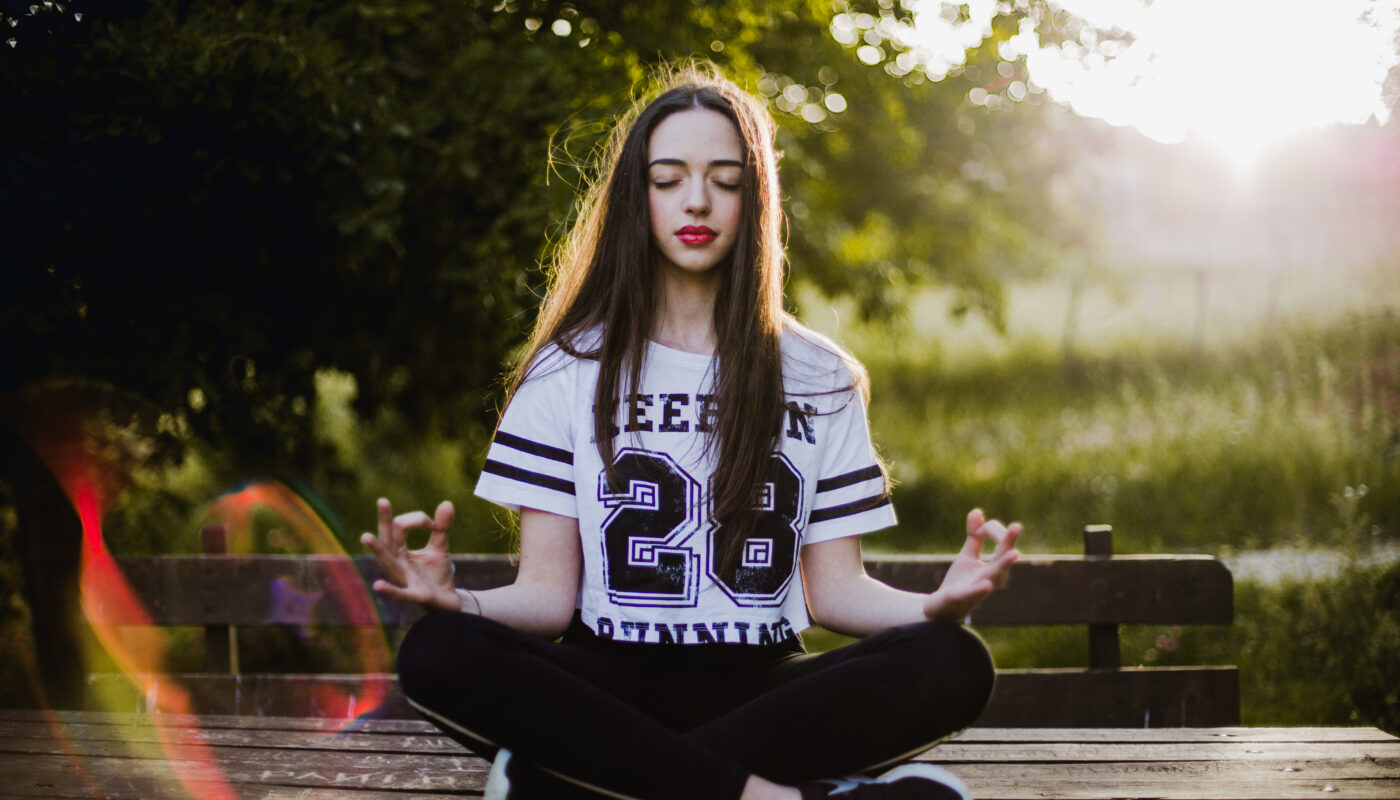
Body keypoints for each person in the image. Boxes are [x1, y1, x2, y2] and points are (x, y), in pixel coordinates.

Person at [361, 64, 1021, 800]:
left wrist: (935, 607)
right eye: (668, 178)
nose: (697, 200)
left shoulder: (819, 375)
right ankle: (778, 797)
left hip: (760, 685)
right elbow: (548, 598)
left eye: (725, 179)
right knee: (439, 653)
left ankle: (566, 787)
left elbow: (836, 591)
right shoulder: (568, 369)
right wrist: (460, 605)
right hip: (606, 681)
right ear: (634, 199)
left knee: (954, 661)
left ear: (755, 200)